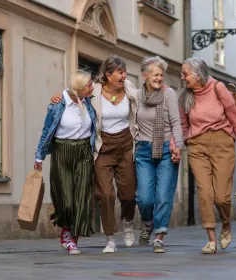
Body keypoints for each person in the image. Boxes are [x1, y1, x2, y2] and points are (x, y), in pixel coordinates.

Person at [51, 56, 138, 253]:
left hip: (126, 144)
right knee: (106, 194)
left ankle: (128, 221)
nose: (124, 75)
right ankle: (110, 239)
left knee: (129, 194)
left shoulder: (130, 88)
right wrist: (60, 96)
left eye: (124, 72)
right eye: (120, 72)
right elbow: (76, 90)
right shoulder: (95, 91)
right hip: (103, 146)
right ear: (108, 75)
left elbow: (145, 97)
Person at [179, 57, 236, 254]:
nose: (182, 77)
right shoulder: (185, 96)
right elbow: (183, 125)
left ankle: (226, 224)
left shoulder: (218, 88)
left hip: (222, 143)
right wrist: (182, 142)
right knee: (205, 192)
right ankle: (211, 239)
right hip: (197, 146)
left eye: (185, 74)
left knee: (221, 196)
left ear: (198, 74)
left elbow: (234, 116)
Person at [34, 70, 96, 255]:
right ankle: (66, 230)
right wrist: (39, 157)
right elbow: (46, 131)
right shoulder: (57, 105)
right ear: (79, 89)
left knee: (82, 196)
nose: (93, 87)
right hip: (62, 151)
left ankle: (72, 240)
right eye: (89, 85)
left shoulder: (90, 101)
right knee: (66, 199)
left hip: (84, 151)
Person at [135, 56, 183, 253]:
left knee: (163, 195)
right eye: (155, 74)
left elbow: (176, 122)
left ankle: (159, 236)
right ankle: (147, 223)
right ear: (144, 75)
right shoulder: (136, 95)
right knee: (145, 198)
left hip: (166, 150)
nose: (159, 78)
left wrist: (178, 146)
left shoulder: (168, 93)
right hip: (143, 151)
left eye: (161, 75)